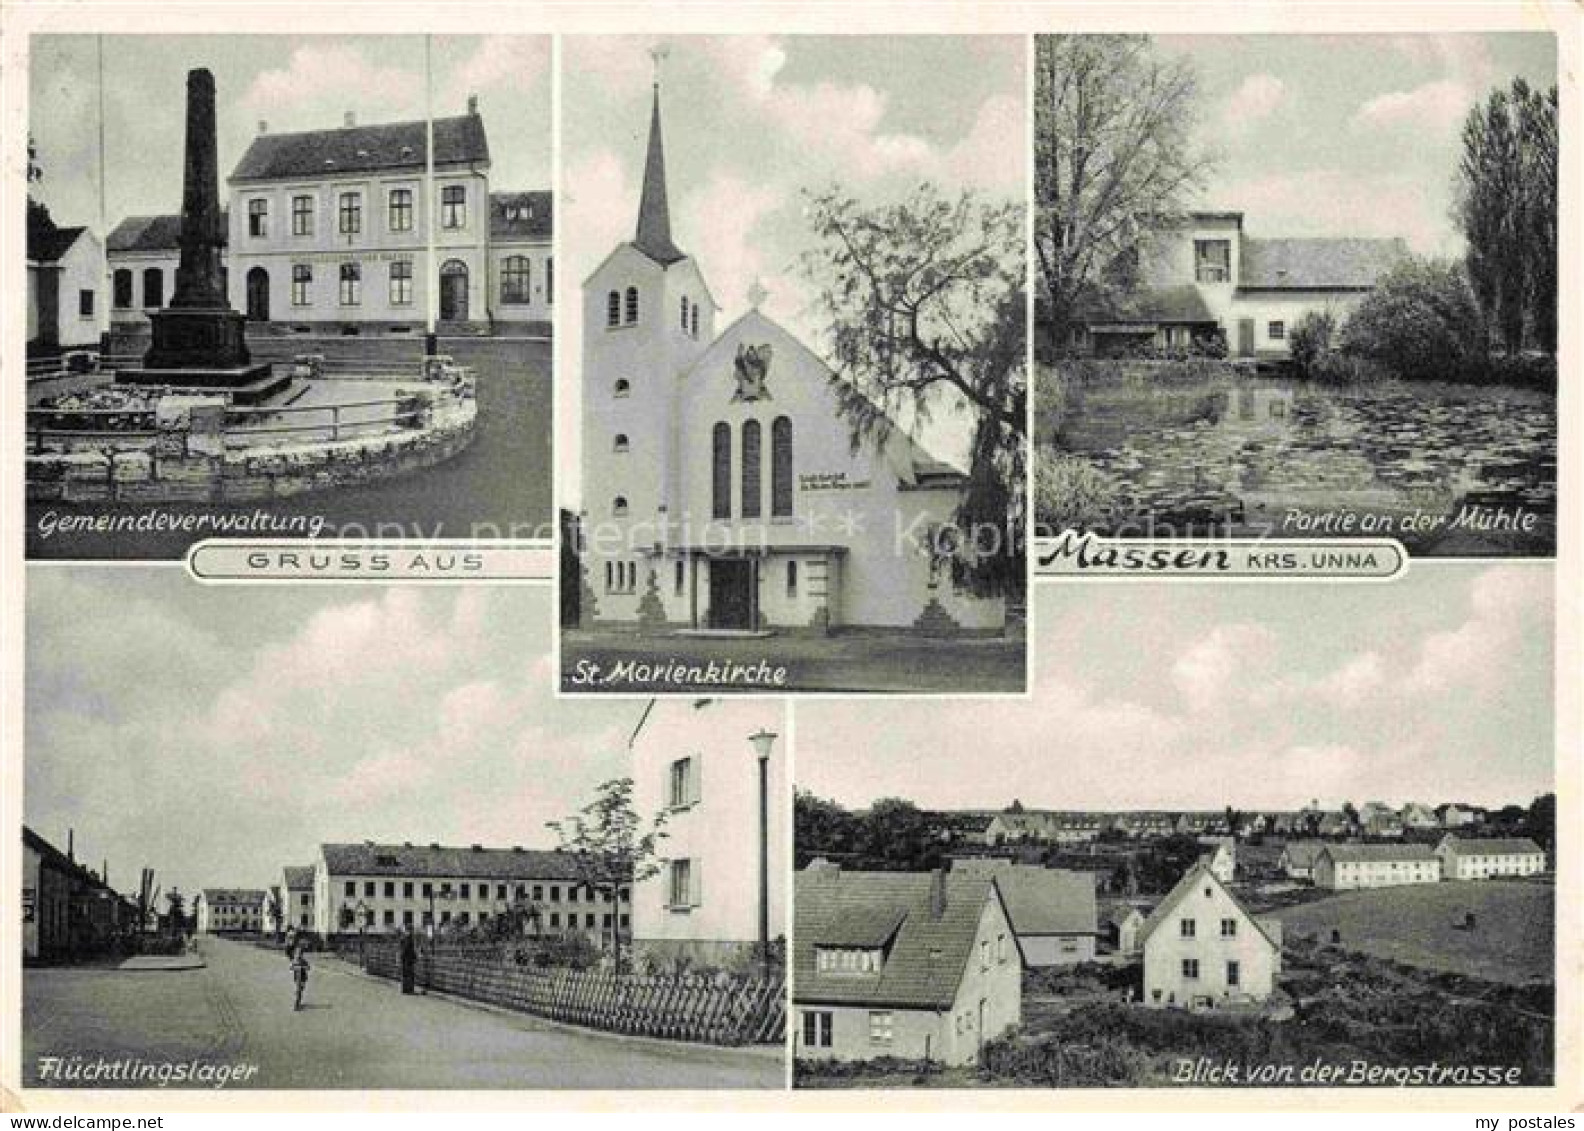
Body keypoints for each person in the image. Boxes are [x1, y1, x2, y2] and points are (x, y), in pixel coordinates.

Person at [289, 941, 310, 1011]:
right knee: (297, 991)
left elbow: (308, 968)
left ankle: (298, 1002)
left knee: (300, 991)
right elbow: (290, 968)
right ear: (295, 954)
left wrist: (303, 967)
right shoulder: (294, 961)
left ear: (302, 955)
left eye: (299, 954)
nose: (298, 955)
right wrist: (296, 967)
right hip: (296, 978)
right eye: (296, 953)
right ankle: (296, 1005)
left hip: (303, 978)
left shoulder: (304, 961)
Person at [399, 926, 417, 995]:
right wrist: (414, 957)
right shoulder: (409, 938)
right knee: (409, 974)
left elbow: (402, 948)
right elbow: (408, 949)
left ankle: (405, 989)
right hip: (408, 959)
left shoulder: (404, 938)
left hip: (405, 958)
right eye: (411, 930)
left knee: (405, 974)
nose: (411, 932)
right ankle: (409, 989)